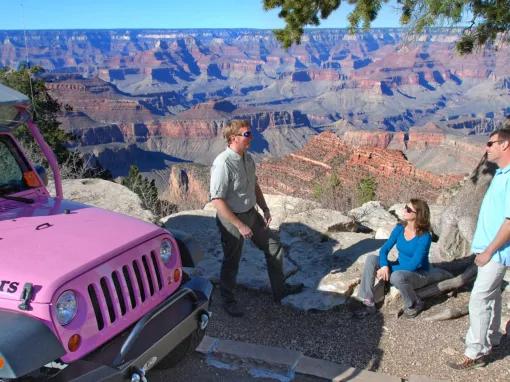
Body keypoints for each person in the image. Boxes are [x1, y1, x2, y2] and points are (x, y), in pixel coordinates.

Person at [210, 119, 303, 317]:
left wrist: (265, 208)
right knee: (231, 260)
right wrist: (239, 225)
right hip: (232, 219)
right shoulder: (223, 163)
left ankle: (280, 291)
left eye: (250, 133)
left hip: (251, 213)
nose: (251, 137)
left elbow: (254, 185)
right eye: (247, 134)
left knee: (273, 247)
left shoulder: (247, 158)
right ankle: (228, 300)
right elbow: (217, 201)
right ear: (233, 138)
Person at [448, 126, 510, 370]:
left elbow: (509, 222)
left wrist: (488, 251)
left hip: (496, 252)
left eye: (491, 143)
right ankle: (492, 338)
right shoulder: (502, 173)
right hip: (490, 250)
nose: (486, 147)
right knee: (491, 297)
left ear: (505, 145)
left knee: (478, 298)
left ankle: (475, 352)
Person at [354, 198, 433, 318]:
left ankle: (415, 303)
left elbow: (413, 265)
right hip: (399, 267)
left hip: (418, 274)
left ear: (418, 215)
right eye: (405, 207)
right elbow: (384, 249)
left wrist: (389, 270)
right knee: (371, 259)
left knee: (396, 276)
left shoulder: (425, 236)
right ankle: (369, 301)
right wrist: (384, 265)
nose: (404, 210)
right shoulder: (400, 228)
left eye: (408, 209)